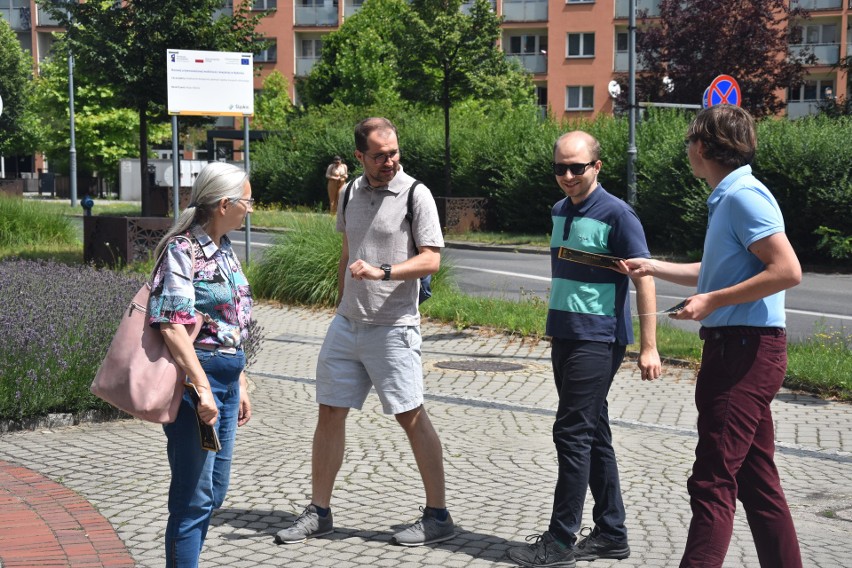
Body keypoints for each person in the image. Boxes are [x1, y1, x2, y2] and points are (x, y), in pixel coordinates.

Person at [622, 104, 803, 568]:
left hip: (745, 352)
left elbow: (786, 270)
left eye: (689, 143)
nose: (687, 150)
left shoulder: (744, 196)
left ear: (702, 146)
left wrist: (713, 302)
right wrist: (655, 266)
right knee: (757, 482)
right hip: (740, 348)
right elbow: (718, 272)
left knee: (712, 481)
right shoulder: (730, 196)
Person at [274, 117, 454, 547]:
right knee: (330, 411)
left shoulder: (416, 194)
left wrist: (384, 272)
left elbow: (431, 260)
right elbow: (347, 251)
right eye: (379, 155)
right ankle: (319, 511)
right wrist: (341, 304)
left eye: (394, 152)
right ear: (360, 156)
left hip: (394, 327)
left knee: (410, 416)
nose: (389, 161)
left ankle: (438, 516)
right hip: (347, 324)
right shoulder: (350, 192)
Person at [508, 131, 661, 568]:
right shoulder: (559, 210)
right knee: (593, 434)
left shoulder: (618, 213)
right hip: (566, 333)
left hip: (598, 338)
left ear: (597, 167)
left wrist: (648, 346)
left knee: (570, 433)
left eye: (577, 167)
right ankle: (612, 533)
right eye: (561, 168)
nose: (568, 175)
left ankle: (560, 542)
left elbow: (644, 276)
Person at [148, 162, 254, 568]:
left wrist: (240, 381)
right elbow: (171, 326)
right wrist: (204, 388)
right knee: (193, 499)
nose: (250, 209)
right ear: (225, 204)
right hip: (199, 384)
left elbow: (231, 322)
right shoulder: (182, 250)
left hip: (225, 382)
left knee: (216, 491)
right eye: (247, 201)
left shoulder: (224, 248)